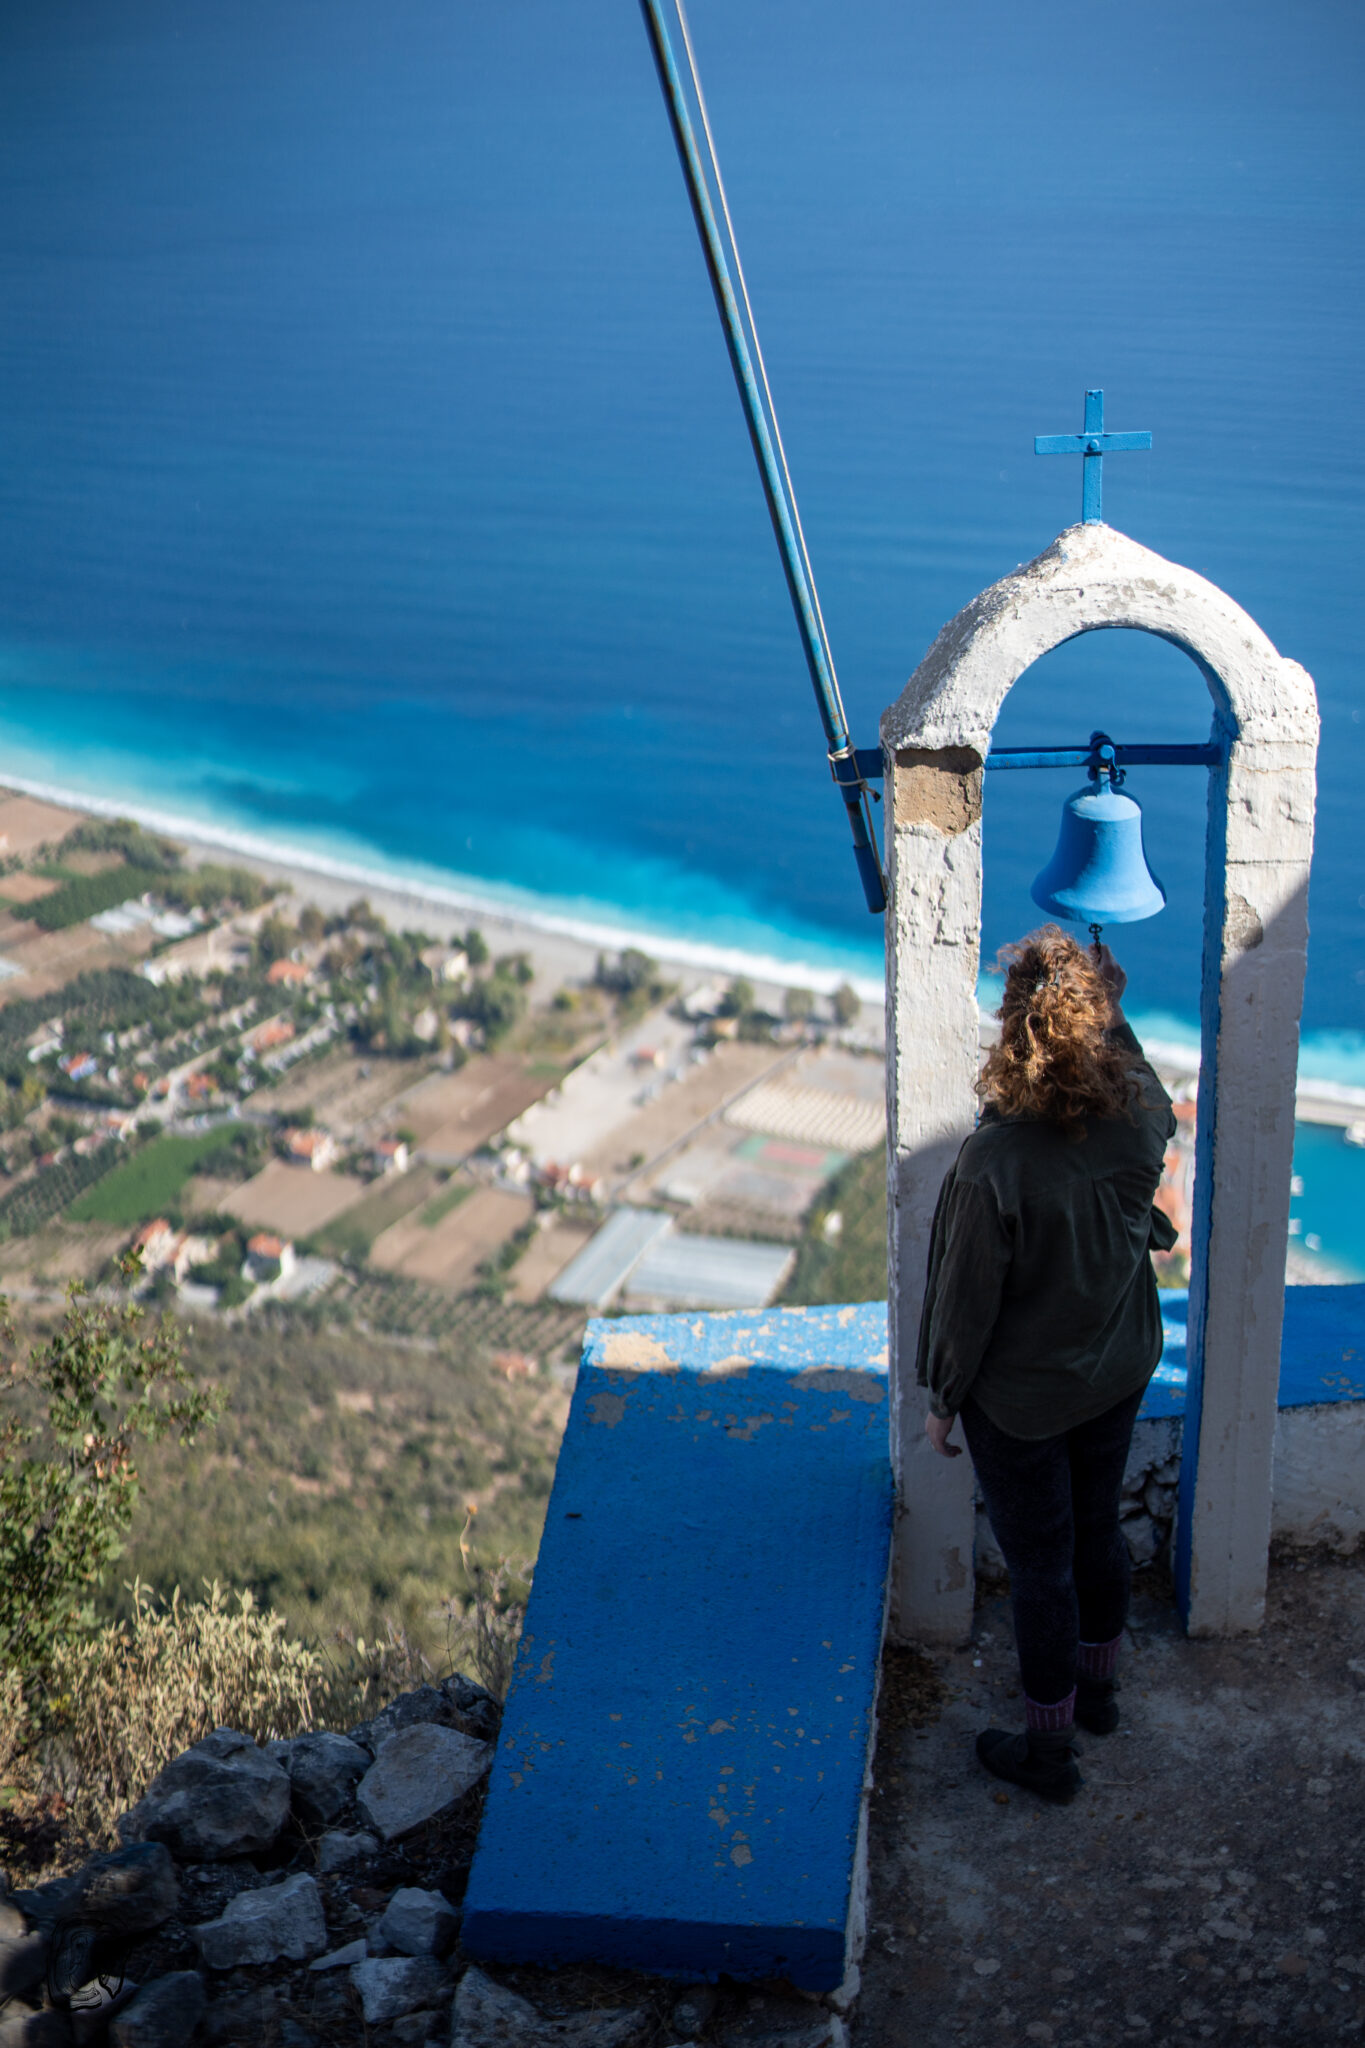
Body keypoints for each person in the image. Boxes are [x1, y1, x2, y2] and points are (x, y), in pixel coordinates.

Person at [917, 925, 1178, 1804]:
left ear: (1011, 1030)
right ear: (1096, 1019)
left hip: (1022, 1400)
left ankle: (1047, 1751)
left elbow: (964, 1297)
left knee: (1042, 1566)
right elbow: (1128, 1063)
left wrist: (941, 1399)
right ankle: (1098, 1696)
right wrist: (1114, 1001)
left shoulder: (995, 1160)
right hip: (1118, 1364)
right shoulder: (1141, 1110)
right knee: (1098, 1529)